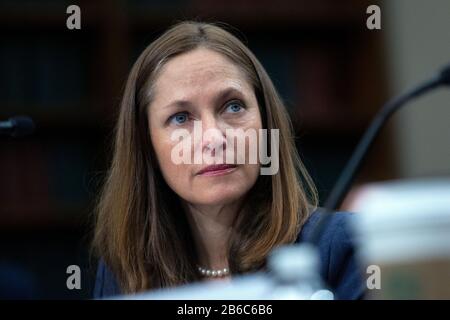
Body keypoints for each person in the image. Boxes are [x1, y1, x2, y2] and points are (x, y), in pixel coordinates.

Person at [92, 21, 365, 300]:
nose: (214, 138)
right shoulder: (123, 271)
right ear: (146, 145)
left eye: (233, 106)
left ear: (266, 125)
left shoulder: (343, 244)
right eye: (181, 118)